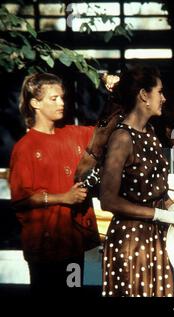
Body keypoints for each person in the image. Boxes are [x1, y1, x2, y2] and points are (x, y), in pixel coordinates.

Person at [99, 65, 174, 297]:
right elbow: (108, 200)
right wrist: (160, 215)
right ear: (144, 95)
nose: (163, 98)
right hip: (130, 240)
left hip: (155, 238)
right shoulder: (122, 138)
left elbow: (157, 191)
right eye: (159, 92)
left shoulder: (150, 132)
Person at [9, 73, 100, 296]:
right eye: (53, 98)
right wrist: (63, 197)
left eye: (62, 97)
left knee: (74, 292)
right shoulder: (24, 147)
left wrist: (118, 90)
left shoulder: (73, 134)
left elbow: (109, 130)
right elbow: (20, 198)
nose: (61, 103)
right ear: (35, 103)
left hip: (73, 243)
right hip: (44, 249)